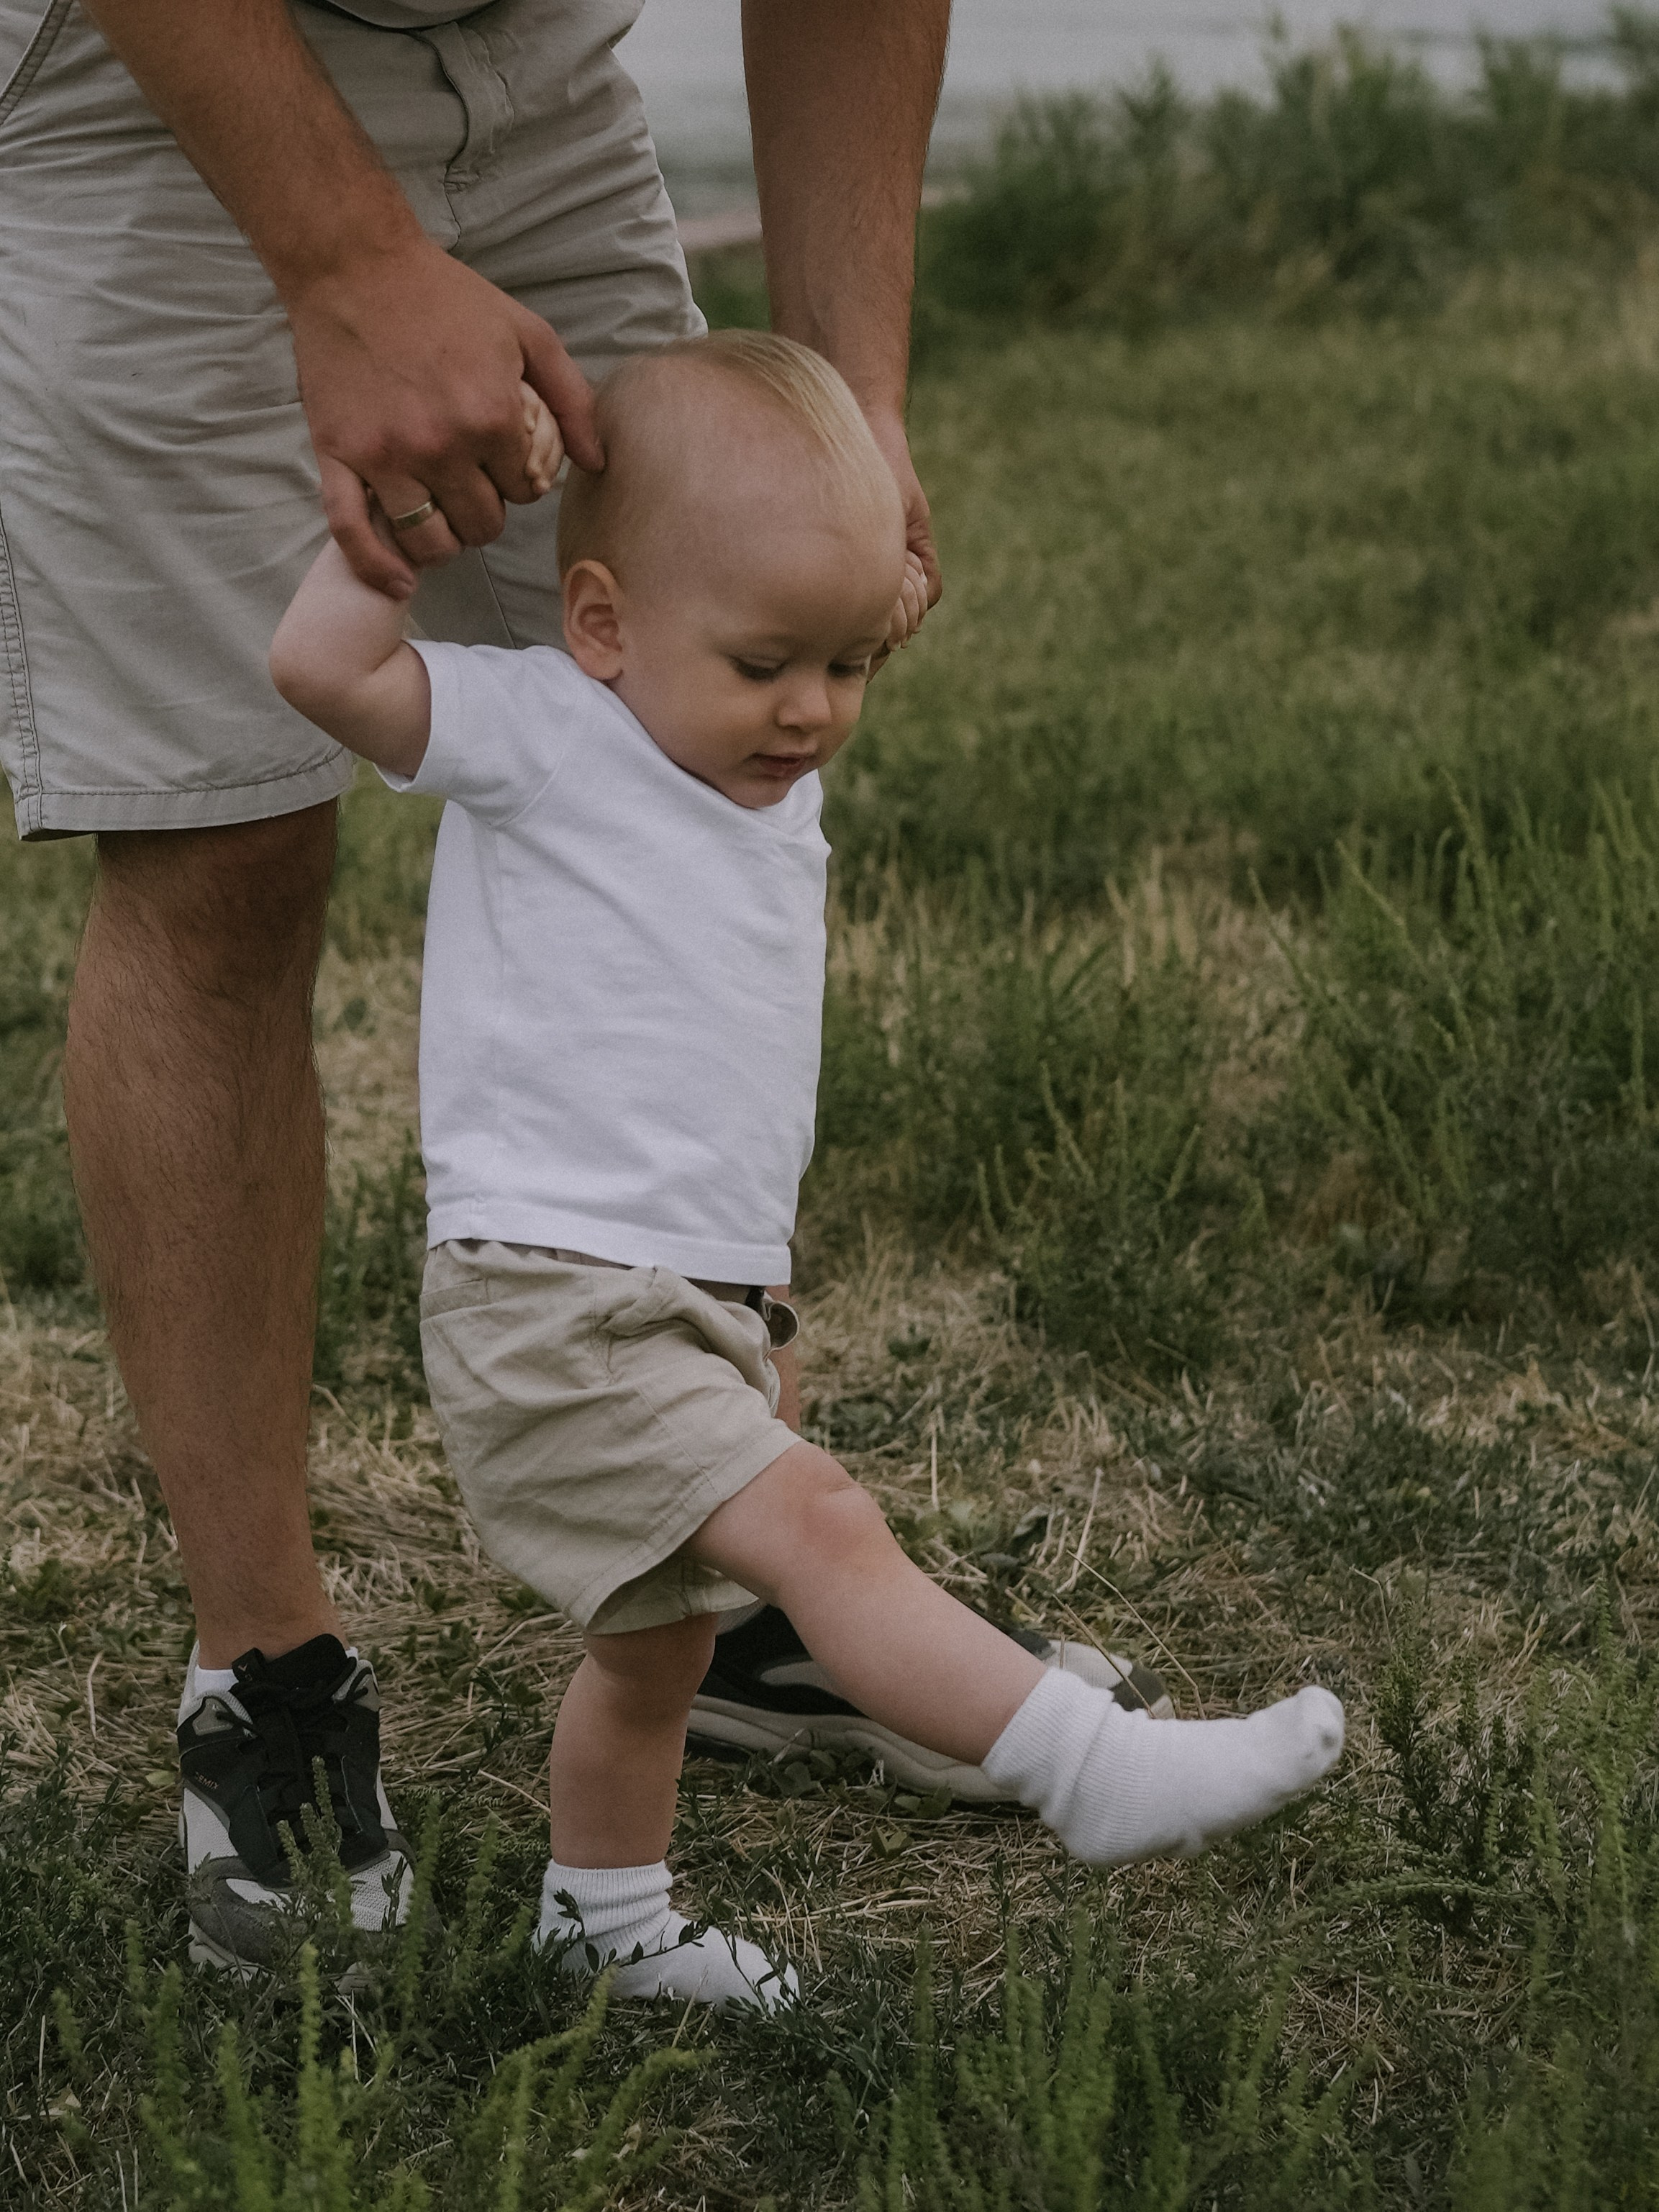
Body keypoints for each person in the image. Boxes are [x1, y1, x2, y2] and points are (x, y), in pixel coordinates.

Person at [0, 0, 1178, 1972]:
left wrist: (842, 398)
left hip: (535, 72)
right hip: (174, 79)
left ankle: (724, 1583)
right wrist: (342, 256)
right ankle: (265, 1672)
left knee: (704, 738)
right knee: (225, 850)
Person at [268, 330, 1347, 2008]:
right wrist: (383, 549)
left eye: (848, 666)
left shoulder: (747, 731)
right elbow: (330, 681)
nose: (817, 711)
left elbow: (826, 600)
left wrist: (857, 585)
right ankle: (1083, 1768)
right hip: (553, 1297)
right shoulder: (553, 728)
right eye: (776, 661)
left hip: (689, 1293)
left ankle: (603, 1921)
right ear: (605, 623)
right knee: (823, 1526)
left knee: (661, 1645)